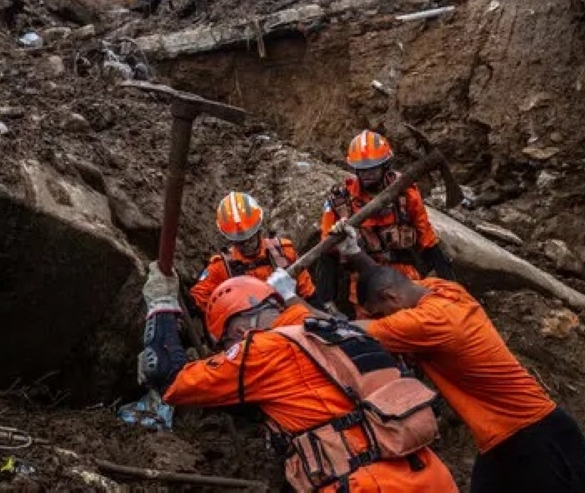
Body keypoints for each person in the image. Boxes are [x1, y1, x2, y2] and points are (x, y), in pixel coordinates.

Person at [138, 251, 459, 493]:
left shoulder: (262, 351)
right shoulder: (334, 329)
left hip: (367, 484)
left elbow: (168, 376)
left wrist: (162, 304)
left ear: (237, 332)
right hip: (432, 474)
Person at [349, 244, 585, 493]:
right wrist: (355, 253)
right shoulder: (442, 289)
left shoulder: (429, 322)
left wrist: (304, 305)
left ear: (392, 298)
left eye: (380, 314)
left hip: (533, 438)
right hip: (509, 437)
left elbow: (347, 329)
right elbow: (389, 281)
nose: (383, 320)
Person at [318, 130, 451, 312]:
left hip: (405, 277)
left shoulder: (406, 192)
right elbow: (326, 251)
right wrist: (326, 303)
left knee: (415, 325)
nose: (367, 174)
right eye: (362, 169)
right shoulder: (339, 201)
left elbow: (427, 239)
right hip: (365, 281)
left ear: (386, 165)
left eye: (373, 168)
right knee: (372, 331)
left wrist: (452, 287)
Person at [190, 191, 319, 314]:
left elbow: (308, 293)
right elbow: (198, 299)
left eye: (250, 238)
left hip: (291, 321)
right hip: (251, 331)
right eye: (240, 241)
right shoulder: (220, 267)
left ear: (258, 230)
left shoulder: (284, 252)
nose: (246, 244)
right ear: (230, 238)